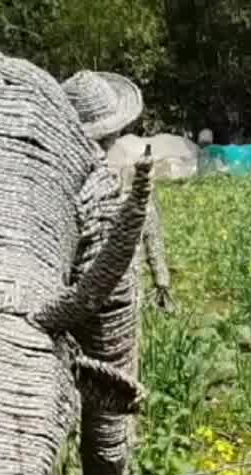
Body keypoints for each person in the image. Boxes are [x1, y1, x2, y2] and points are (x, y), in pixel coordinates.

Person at [60, 69, 175, 311]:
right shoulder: (129, 165)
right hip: (120, 292)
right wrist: (161, 279)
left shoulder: (57, 171)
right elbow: (149, 224)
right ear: (117, 127)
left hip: (66, 296)